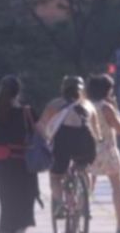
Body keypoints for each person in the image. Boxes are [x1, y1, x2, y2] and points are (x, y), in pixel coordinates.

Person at [0, 75, 38, 233]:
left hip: (1, 163)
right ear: (18, 92)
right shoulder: (27, 112)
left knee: (7, 202)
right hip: (23, 162)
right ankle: (21, 232)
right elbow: (41, 133)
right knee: (26, 199)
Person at [41, 76, 102, 220]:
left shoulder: (55, 104)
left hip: (62, 144)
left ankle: (60, 204)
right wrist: (99, 140)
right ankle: (85, 204)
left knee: (55, 176)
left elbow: (43, 125)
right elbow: (96, 130)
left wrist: (45, 140)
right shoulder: (88, 105)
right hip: (85, 143)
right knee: (83, 169)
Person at [82, 75, 120, 233]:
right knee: (117, 186)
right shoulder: (106, 107)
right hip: (107, 150)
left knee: (88, 184)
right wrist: (116, 109)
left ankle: (82, 211)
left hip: (89, 149)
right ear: (107, 90)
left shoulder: (85, 106)